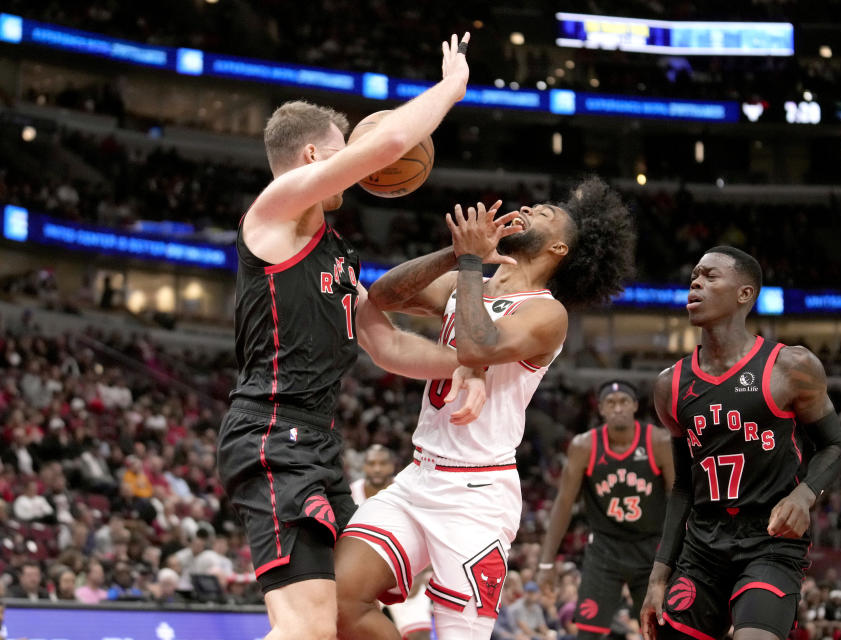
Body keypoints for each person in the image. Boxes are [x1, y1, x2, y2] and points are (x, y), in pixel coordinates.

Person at [216, 31, 481, 640]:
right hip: (271, 432)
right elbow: (390, 139)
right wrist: (450, 88)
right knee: (307, 626)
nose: (365, 168)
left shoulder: (337, 254)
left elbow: (385, 344)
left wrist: (462, 362)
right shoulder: (274, 211)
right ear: (314, 157)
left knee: (347, 615)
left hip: (315, 441)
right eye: (345, 154)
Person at [336, 176, 637, 640]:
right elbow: (383, 296)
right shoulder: (466, 280)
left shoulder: (546, 313)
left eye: (546, 213)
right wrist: (455, 255)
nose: (532, 208)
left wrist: (472, 262)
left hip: (476, 493)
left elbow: (478, 345)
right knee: (340, 599)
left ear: (558, 249)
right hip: (417, 476)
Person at [640, 245, 841, 640]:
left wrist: (805, 494)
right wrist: (658, 576)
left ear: (745, 294)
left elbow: (835, 447)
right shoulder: (670, 386)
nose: (695, 282)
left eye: (710, 275)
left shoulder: (791, 366)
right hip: (701, 550)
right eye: (693, 277)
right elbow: (684, 486)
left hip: (770, 543)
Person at [537, 380, 674, 638]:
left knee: (660, 631)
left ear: (635, 405)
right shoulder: (584, 446)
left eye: (624, 401)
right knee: (588, 633)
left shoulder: (658, 441)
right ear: (601, 409)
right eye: (611, 403)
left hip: (651, 549)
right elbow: (564, 502)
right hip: (604, 549)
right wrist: (546, 563)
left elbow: (679, 497)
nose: (618, 408)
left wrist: (679, 554)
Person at [350, 445, 433, 640]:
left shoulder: (409, 491)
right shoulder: (350, 493)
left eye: (383, 463)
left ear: (392, 466)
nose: (377, 469)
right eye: (372, 464)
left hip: (404, 574)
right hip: (363, 579)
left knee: (419, 635)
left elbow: (428, 534)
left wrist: (419, 575)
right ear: (364, 467)